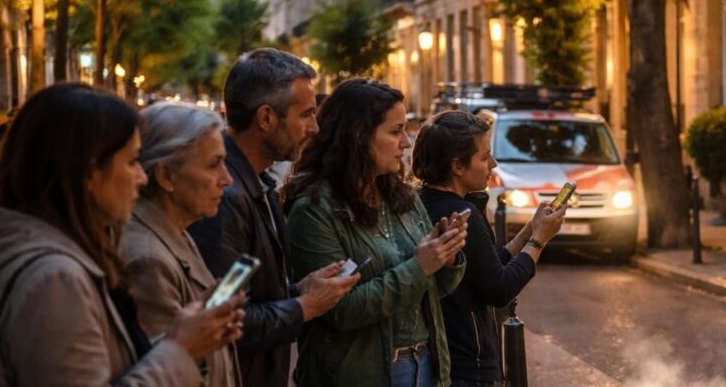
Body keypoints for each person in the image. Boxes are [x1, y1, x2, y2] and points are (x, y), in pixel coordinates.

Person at [0, 83, 245, 386]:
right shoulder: (55, 278)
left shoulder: (53, 254)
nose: (142, 177)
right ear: (89, 171)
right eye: (131, 161)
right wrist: (182, 349)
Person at [187, 48, 359, 387]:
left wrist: (297, 290)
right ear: (266, 118)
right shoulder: (225, 197)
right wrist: (303, 306)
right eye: (307, 114)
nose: (315, 127)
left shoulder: (255, 183)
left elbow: (243, 292)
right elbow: (223, 317)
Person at [282, 78, 467, 387]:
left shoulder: (403, 198)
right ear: (357, 136)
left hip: (426, 364)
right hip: (361, 373)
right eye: (395, 132)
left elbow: (432, 291)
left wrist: (446, 258)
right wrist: (421, 265)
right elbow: (340, 310)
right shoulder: (314, 210)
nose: (407, 143)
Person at [413, 111, 567, 387]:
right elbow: (499, 289)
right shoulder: (460, 212)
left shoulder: (421, 202)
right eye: (484, 157)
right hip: (467, 363)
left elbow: (485, 267)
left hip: (445, 356)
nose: (493, 164)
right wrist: (539, 241)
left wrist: (530, 229)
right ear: (457, 166)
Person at [122, 102, 244, 386]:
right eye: (214, 164)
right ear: (166, 176)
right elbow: (169, 373)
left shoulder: (173, 228)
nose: (226, 179)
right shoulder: (147, 259)